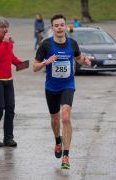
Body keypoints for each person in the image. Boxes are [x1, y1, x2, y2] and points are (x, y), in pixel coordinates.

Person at [33, 14, 91, 169]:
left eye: (62, 25)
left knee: (65, 117)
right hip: (51, 87)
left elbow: (79, 59)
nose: (59, 28)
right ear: (52, 27)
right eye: (56, 25)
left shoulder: (72, 43)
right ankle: (57, 140)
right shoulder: (45, 44)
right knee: (55, 119)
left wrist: (85, 60)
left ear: (66, 26)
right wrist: (46, 62)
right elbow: (34, 67)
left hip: (68, 85)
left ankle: (66, 156)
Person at [0, 17, 25, 147]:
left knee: (10, 108)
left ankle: (8, 138)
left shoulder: (7, 41)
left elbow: (10, 56)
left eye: (6, 26)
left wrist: (21, 63)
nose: (5, 29)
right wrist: (4, 43)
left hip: (8, 79)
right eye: (2, 27)